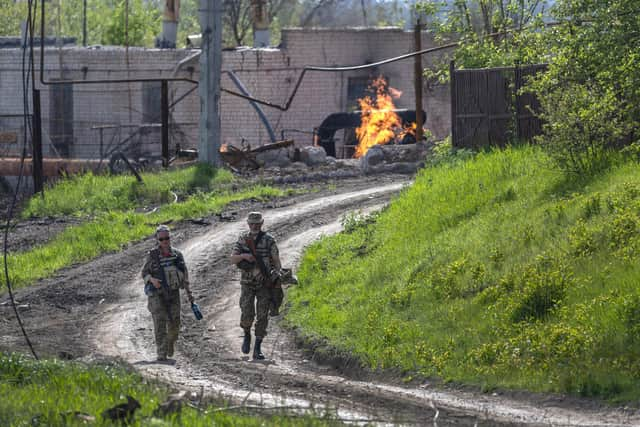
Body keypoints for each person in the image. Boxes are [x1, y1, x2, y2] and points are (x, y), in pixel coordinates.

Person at [230, 211, 283, 360]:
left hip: (264, 284)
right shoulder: (243, 240)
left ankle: (258, 347)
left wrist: (276, 276)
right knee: (247, 313)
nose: (254, 226)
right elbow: (232, 259)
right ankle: (246, 334)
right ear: (248, 224)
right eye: (252, 223)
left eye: (257, 223)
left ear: (262, 223)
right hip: (247, 283)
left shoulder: (269, 240)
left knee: (262, 316)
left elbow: (276, 260)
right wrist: (244, 256)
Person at [141, 225, 194, 361]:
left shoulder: (177, 255)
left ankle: (171, 342)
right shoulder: (152, 256)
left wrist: (189, 293)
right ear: (157, 240)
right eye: (162, 239)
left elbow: (185, 273)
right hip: (157, 294)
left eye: (167, 238)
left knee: (175, 322)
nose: (165, 241)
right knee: (159, 322)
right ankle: (161, 352)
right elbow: (144, 273)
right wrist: (152, 280)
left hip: (173, 293)